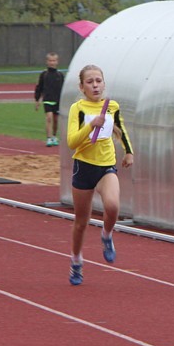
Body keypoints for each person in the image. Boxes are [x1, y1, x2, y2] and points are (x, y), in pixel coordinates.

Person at [66, 64, 133, 285]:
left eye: (98, 81)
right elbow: (71, 142)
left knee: (113, 206)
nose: (95, 85)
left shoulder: (111, 106)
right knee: (81, 222)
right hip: (84, 166)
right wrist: (91, 125)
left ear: (104, 83)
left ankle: (106, 235)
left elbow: (121, 129)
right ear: (82, 86)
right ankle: (76, 260)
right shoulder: (78, 108)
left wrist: (129, 152)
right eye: (90, 82)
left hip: (106, 166)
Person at [34, 52, 65, 146]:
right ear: (47, 62)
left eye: (54, 60)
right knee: (49, 117)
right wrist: (37, 100)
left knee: (56, 120)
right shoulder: (44, 74)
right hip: (47, 99)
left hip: (58, 101)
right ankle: (49, 138)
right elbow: (39, 87)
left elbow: (64, 89)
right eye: (50, 60)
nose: (52, 62)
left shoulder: (60, 75)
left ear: (57, 62)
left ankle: (54, 136)